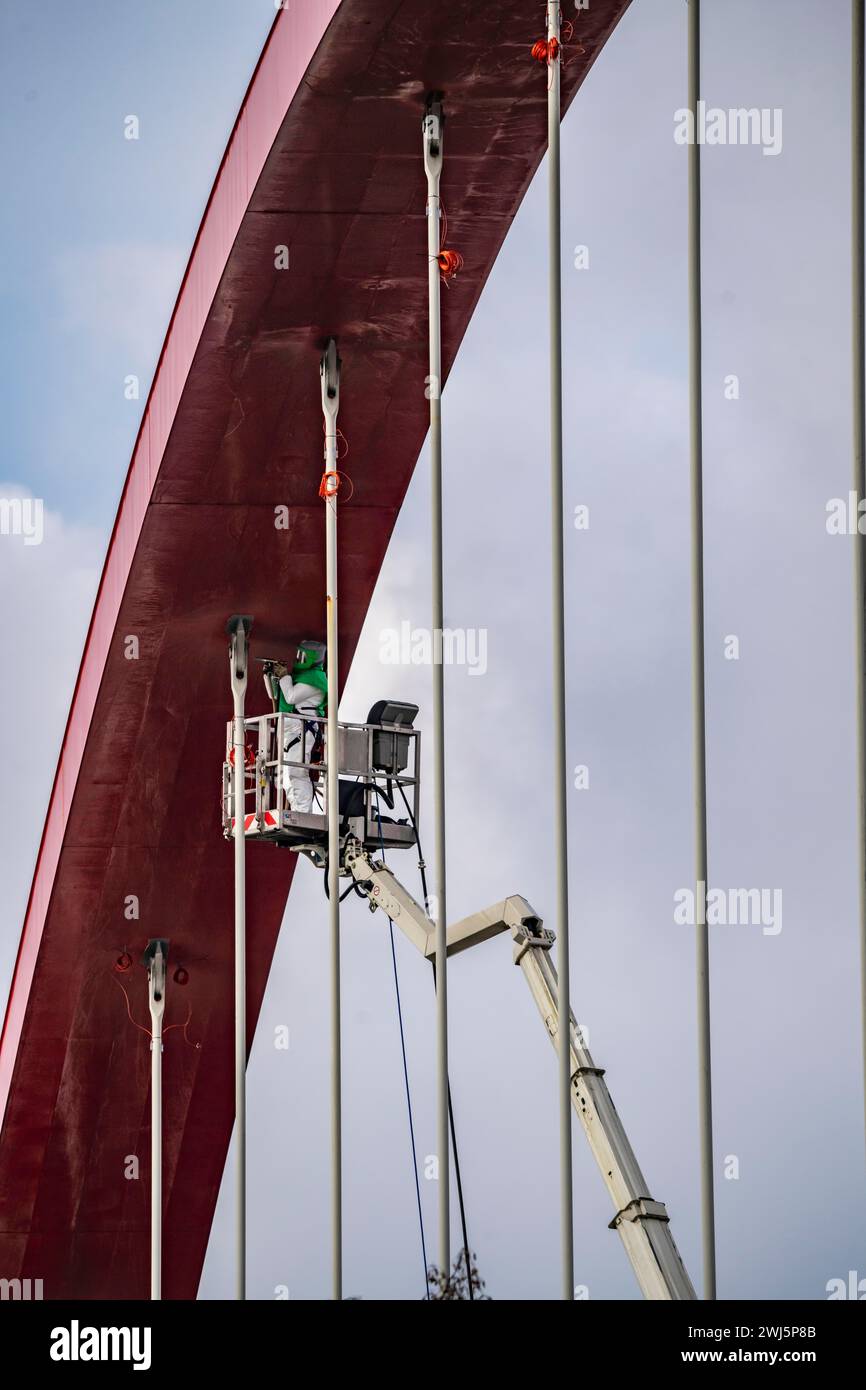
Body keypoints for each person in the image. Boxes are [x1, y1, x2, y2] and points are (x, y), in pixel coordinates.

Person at [267, 641, 327, 813]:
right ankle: (297, 811)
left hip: (301, 729)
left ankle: (303, 813)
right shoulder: (303, 678)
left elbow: (291, 696)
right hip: (292, 731)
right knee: (286, 776)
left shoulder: (315, 679)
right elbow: (282, 695)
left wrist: (284, 676)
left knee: (297, 772)